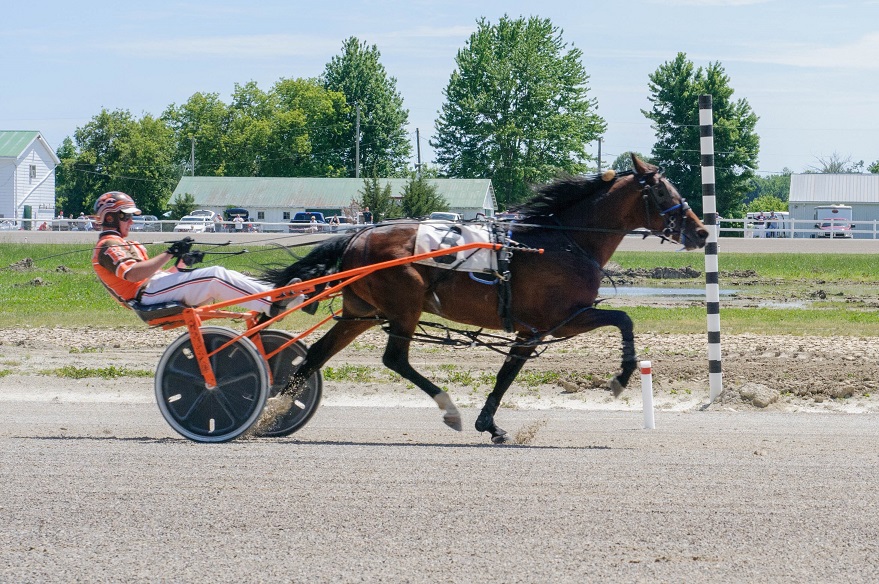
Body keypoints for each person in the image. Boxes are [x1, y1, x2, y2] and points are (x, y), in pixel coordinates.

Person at [91, 191, 301, 318]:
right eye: (126, 216)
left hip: (154, 289)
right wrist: (169, 252)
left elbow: (158, 276)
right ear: (110, 218)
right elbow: (134, 275)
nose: (131, 221)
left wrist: (182, 262)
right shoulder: (107, 246)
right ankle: (271, 304)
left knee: (223, 274)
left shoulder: (121, 243)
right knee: (214, 276)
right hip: (145, 297)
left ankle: (278, 293)